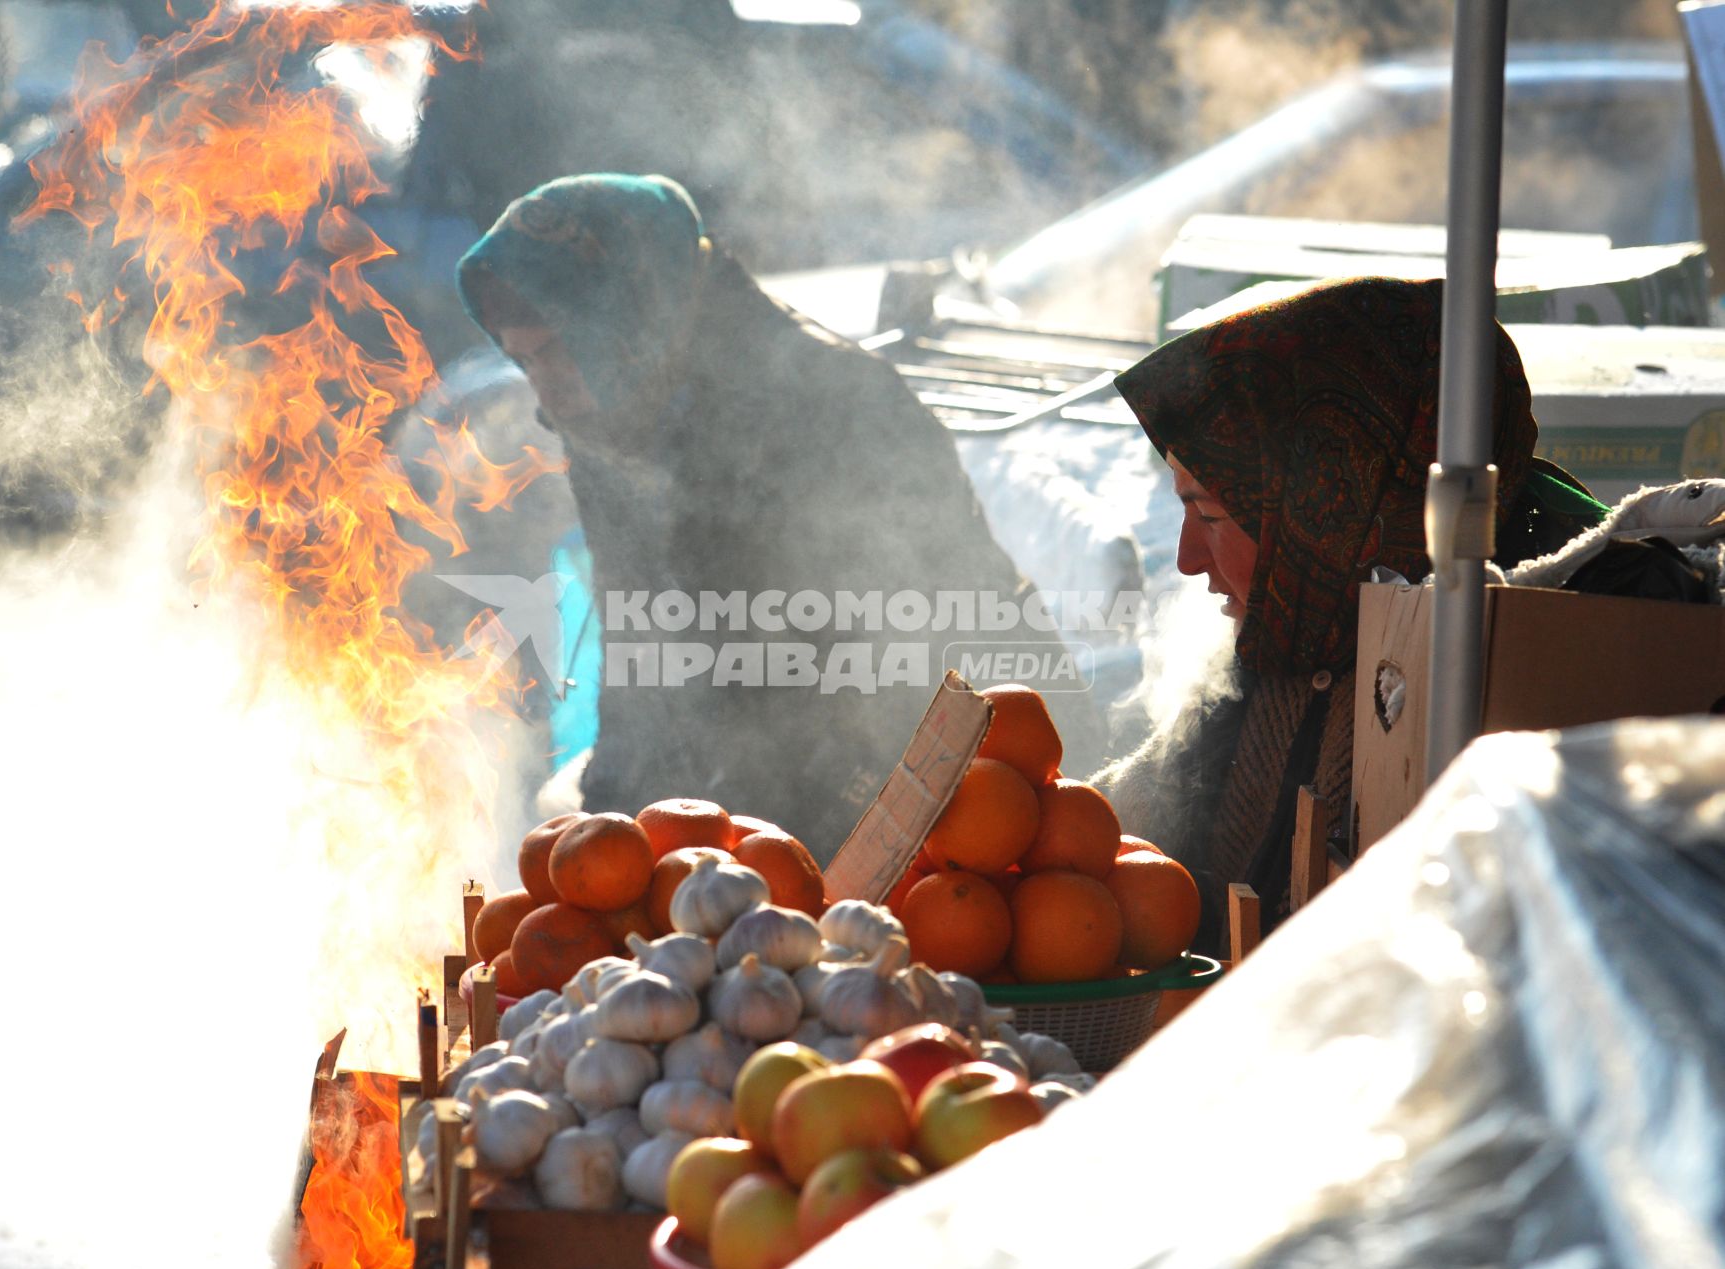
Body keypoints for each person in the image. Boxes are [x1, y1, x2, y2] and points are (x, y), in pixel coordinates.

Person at [455, 173, 1098, 860]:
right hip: (754, 828)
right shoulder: (616, 413)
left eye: (558, 347)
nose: (545, 388)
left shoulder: (833, 408)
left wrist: (775, 846)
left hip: (961, 817)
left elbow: (912, 664)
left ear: (626, 316)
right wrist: (611, 830)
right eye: (523, 361)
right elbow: (644, 657)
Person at [1098, 276, 1607, 952]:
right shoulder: (1295, 630)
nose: (1189, 559)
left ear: (1333, 503)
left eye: (1211, 515)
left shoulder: (1517, 674)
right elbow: (1141, 804)